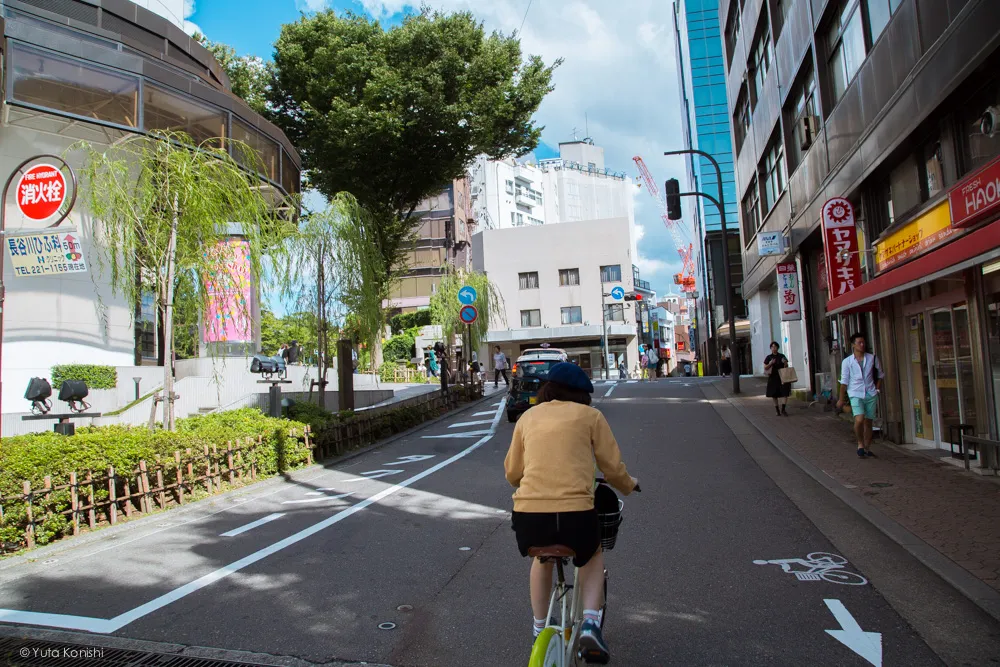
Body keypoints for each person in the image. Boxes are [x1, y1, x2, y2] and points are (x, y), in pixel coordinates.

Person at [504, 362, 639, 662]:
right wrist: (629, 486)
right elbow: (612, 469)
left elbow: (513, 472)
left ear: (547, 390)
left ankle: (540, 629)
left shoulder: (527, 417)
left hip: (529, 518)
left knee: (542, 559)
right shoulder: (591, 417)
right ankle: (591, 624)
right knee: (592, 555)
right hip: (576, 515)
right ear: (583, 396)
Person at [836, 333, 883, 459]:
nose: (862, 345)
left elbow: (880, 374)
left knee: (868, 422)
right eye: (859, 343)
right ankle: (860, 443)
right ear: (853, 345)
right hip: (855, 393)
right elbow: (844, 381)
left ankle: (867, 448)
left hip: (870, 392)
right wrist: (841, 398)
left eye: (863, 342)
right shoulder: (847, 362)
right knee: (859, 419)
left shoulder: (872, 358)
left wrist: (877, 389)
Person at [764, 341, 791, 416]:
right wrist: (770, 363)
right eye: (772, 347)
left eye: (775, 346)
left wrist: (785, 362)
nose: (773, 348)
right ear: (770, 348)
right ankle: (777, 410)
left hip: (782, 376)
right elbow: (765, 368)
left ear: (778, 347)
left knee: (785, 392)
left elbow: (786, 366)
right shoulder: (768, 357)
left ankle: (783, 409)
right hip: (773, 377)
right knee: (774, 394)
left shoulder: (782, 356)